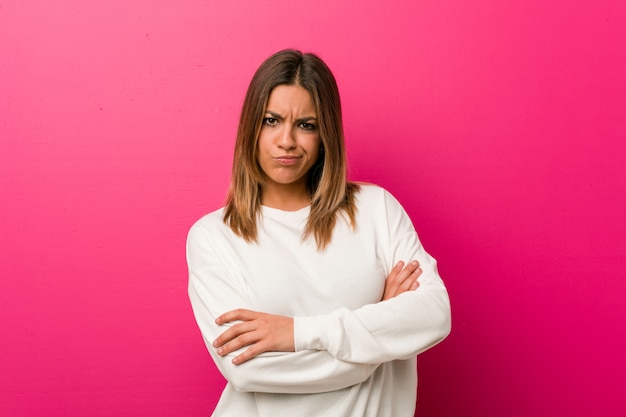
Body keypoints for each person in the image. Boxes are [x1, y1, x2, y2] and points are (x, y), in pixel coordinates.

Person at [187, 49, 451, 417]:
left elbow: (433, 314)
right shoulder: (214, 236)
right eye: (271, 120)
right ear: (250, 125)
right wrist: (377, 343)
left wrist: (296, 333)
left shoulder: (376, 209)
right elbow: (247, 369)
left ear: (326, 132)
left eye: (306, 125)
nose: (287, 141)